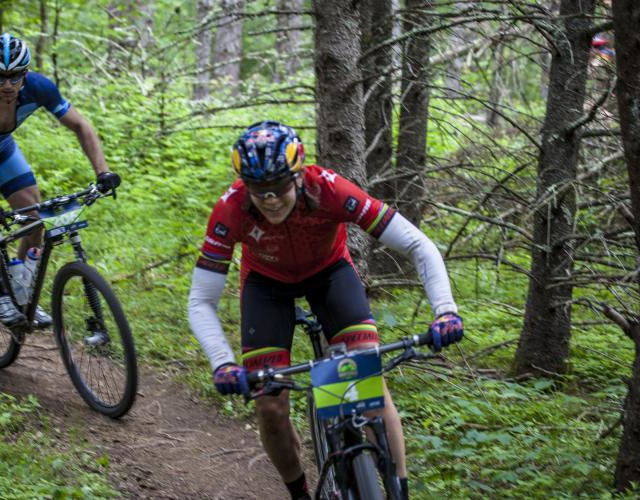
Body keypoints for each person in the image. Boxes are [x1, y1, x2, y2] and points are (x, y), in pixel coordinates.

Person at [187, 121, 464, 500]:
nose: (269, 200)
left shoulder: (330, 189)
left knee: (367, 380)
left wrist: (445, 311)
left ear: (298, 176)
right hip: (266, 286)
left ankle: (399, 491)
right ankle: (300, 493)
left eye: (279, 187)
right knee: (269, 405)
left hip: (329, 275)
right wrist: (222, 362)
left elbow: (419, 245)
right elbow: (201, 300)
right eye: (258, 191)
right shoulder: (231, 209)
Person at [0, 33, 120, 327]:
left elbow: (80, 125)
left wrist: (102, 171)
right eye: (0, 77)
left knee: (34, 217)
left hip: (0, 148)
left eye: (15, 77)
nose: (8, 85)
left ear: (26, 74)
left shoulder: (39, 87)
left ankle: (21, 291)